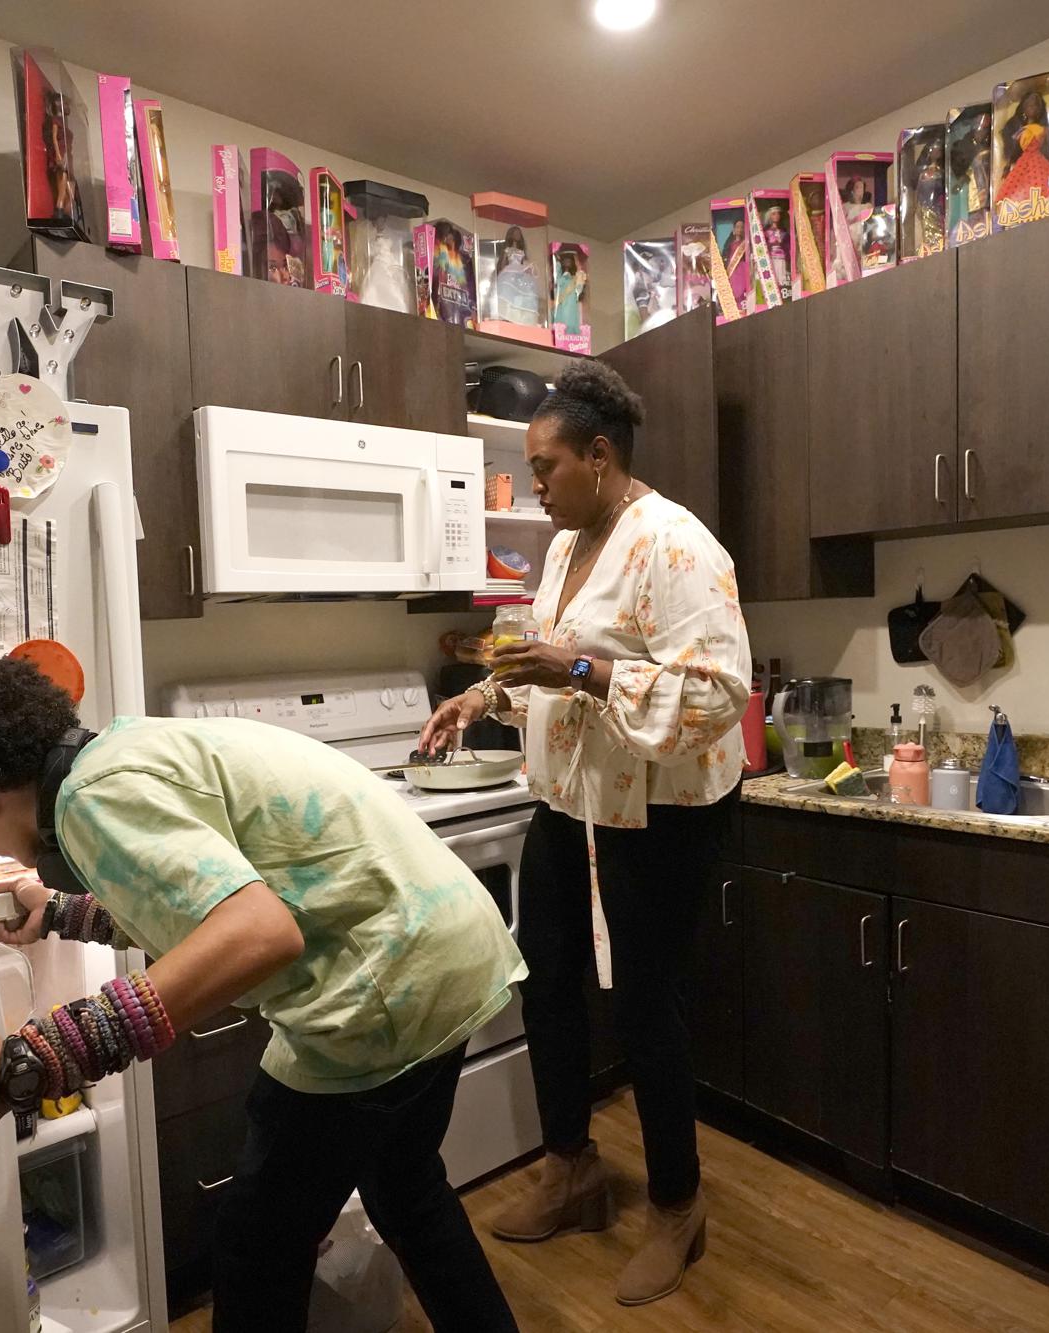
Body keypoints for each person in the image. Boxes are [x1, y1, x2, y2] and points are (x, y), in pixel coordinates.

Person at [0, 655, 523, 1333]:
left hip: (381, 991)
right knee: (406, 1187)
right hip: (451, 951)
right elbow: (201, 899)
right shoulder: (123, 749)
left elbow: (255, 931)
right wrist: (61, 911)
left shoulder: (91, 798)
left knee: (256, 1245)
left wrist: (24, 1062)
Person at [420, 361, 751, 1309]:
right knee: (545, 981)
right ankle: (572, 1169)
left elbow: (719, 697)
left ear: (600, 457)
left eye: (546, 466)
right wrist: (483, 694)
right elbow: (540, 649)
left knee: (649, 1007)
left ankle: (679, 1206)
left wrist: (582, 670)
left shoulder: (676, 546)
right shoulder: (568, 545)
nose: (535, 485)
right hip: (571, 799)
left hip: (660, 815)